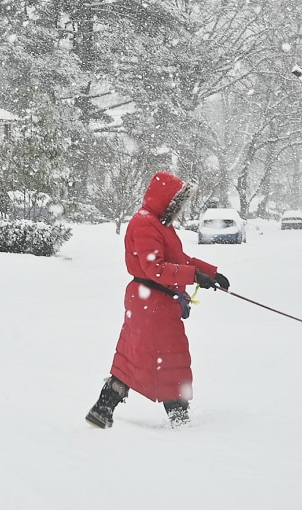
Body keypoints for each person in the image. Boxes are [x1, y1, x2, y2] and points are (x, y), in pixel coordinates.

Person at [85, 171, 230, 429]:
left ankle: (104, 408)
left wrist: (210, 273)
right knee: (165, 357)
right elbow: (156, 268)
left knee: (143, 356)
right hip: (150, 302)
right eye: (176, 202)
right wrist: (193, 276)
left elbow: (179, 260)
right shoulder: (144, 224)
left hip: (155, 303)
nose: (179, 208)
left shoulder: (158, 224)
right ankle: (177, 415)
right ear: (166, 199)